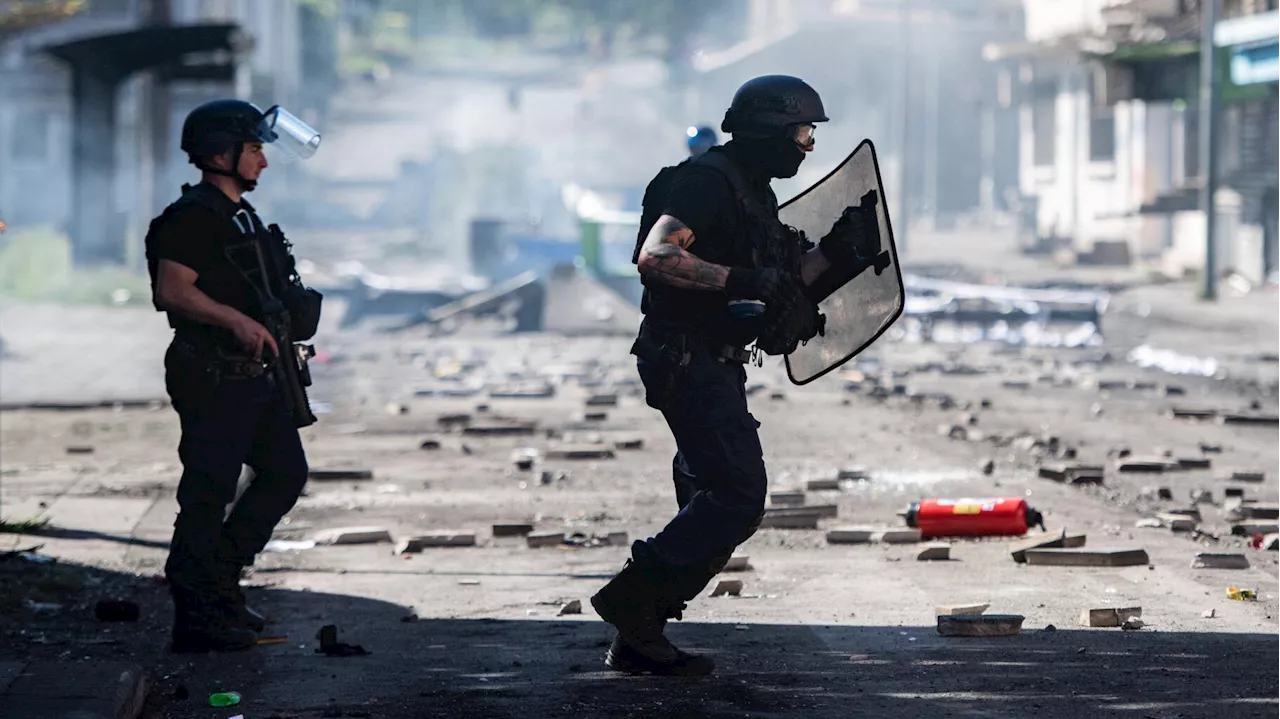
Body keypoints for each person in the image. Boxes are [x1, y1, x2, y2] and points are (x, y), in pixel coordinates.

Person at [593, 75, 876, 676]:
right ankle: (631, 603)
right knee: (738, 495)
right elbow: (658, 255)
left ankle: (639, 638)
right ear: (771, 130)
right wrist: (737, 281)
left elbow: (781, 279)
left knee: (710, 498)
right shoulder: (706, 182)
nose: (807, 145)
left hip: (714, 357)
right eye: (802, 132)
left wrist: (842, 252)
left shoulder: (753, 191)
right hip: (685, 357)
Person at [145, 99, 322, 653]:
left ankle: (220, 581)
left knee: (284, 472)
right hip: (214, 373)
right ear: (222, 154)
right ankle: (197, 612)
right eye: (254, 150)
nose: (263, 163)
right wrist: (235, 321)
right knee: (208, 491)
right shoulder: (193, 217)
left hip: (255, 374)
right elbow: (172, 290)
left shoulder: (239, 215)